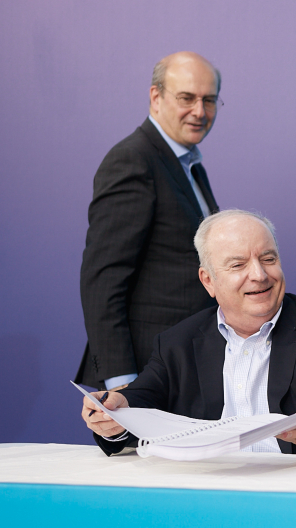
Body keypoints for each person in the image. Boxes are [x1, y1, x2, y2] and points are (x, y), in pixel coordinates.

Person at [82, 210, 296, 455]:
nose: (259, 275)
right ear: (208, 280)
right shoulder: (178, 342)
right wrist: (116, 414)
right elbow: (141, 399)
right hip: (208, 487)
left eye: (268, 259)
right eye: (238, 265)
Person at [77, 52, 224, 390]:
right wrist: (121, 382)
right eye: (186, 98)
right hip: (144, 373)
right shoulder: (133, 160)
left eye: (209, 100)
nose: (199, 111)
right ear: (156, 97)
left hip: (183, 368)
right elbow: (103, 278)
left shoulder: (189, 166)